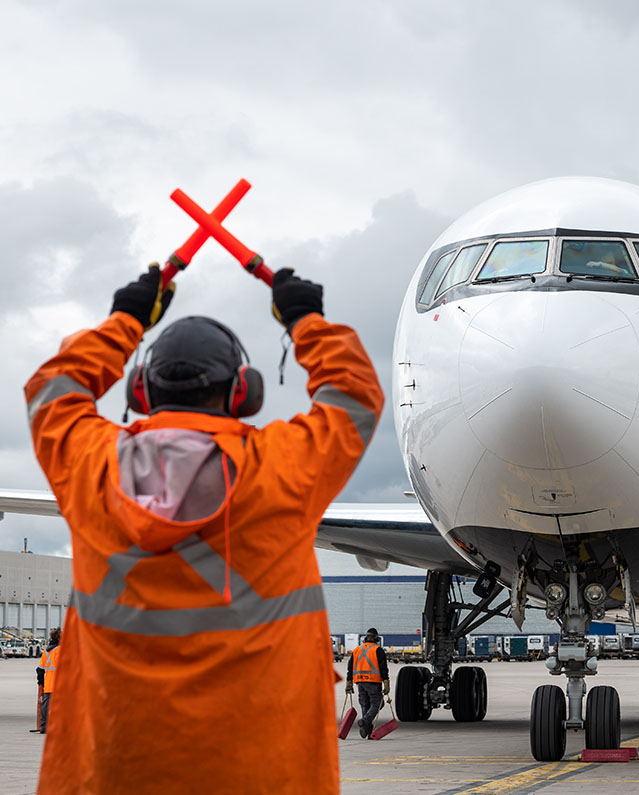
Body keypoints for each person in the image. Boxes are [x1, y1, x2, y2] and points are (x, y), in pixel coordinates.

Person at [25, 264, 384, 792]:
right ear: (245, 392)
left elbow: (50, 391)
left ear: (140, 391)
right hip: (261, 774)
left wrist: (126, 319)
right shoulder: (281, 470)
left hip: (113, 772)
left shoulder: (89, 470)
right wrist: (305, 319)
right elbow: (354, 395)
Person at [346, 627, 391, 737]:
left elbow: (350, 667)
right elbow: (383, 668)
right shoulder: (377, 650)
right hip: (373, 681)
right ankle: (365, 721)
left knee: (365, 704)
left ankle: (367, 730)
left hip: (360, 682)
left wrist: (349, 683)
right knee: (377, 703)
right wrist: (386, 682)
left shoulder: (357, 650)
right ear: (376, 638)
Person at [35, 627, 62, 733]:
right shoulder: (61, 649)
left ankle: (43, 726)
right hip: (61, 683)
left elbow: (40, 669)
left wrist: (41, 682)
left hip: (49, 683)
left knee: (46, 705)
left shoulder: (47, 651)